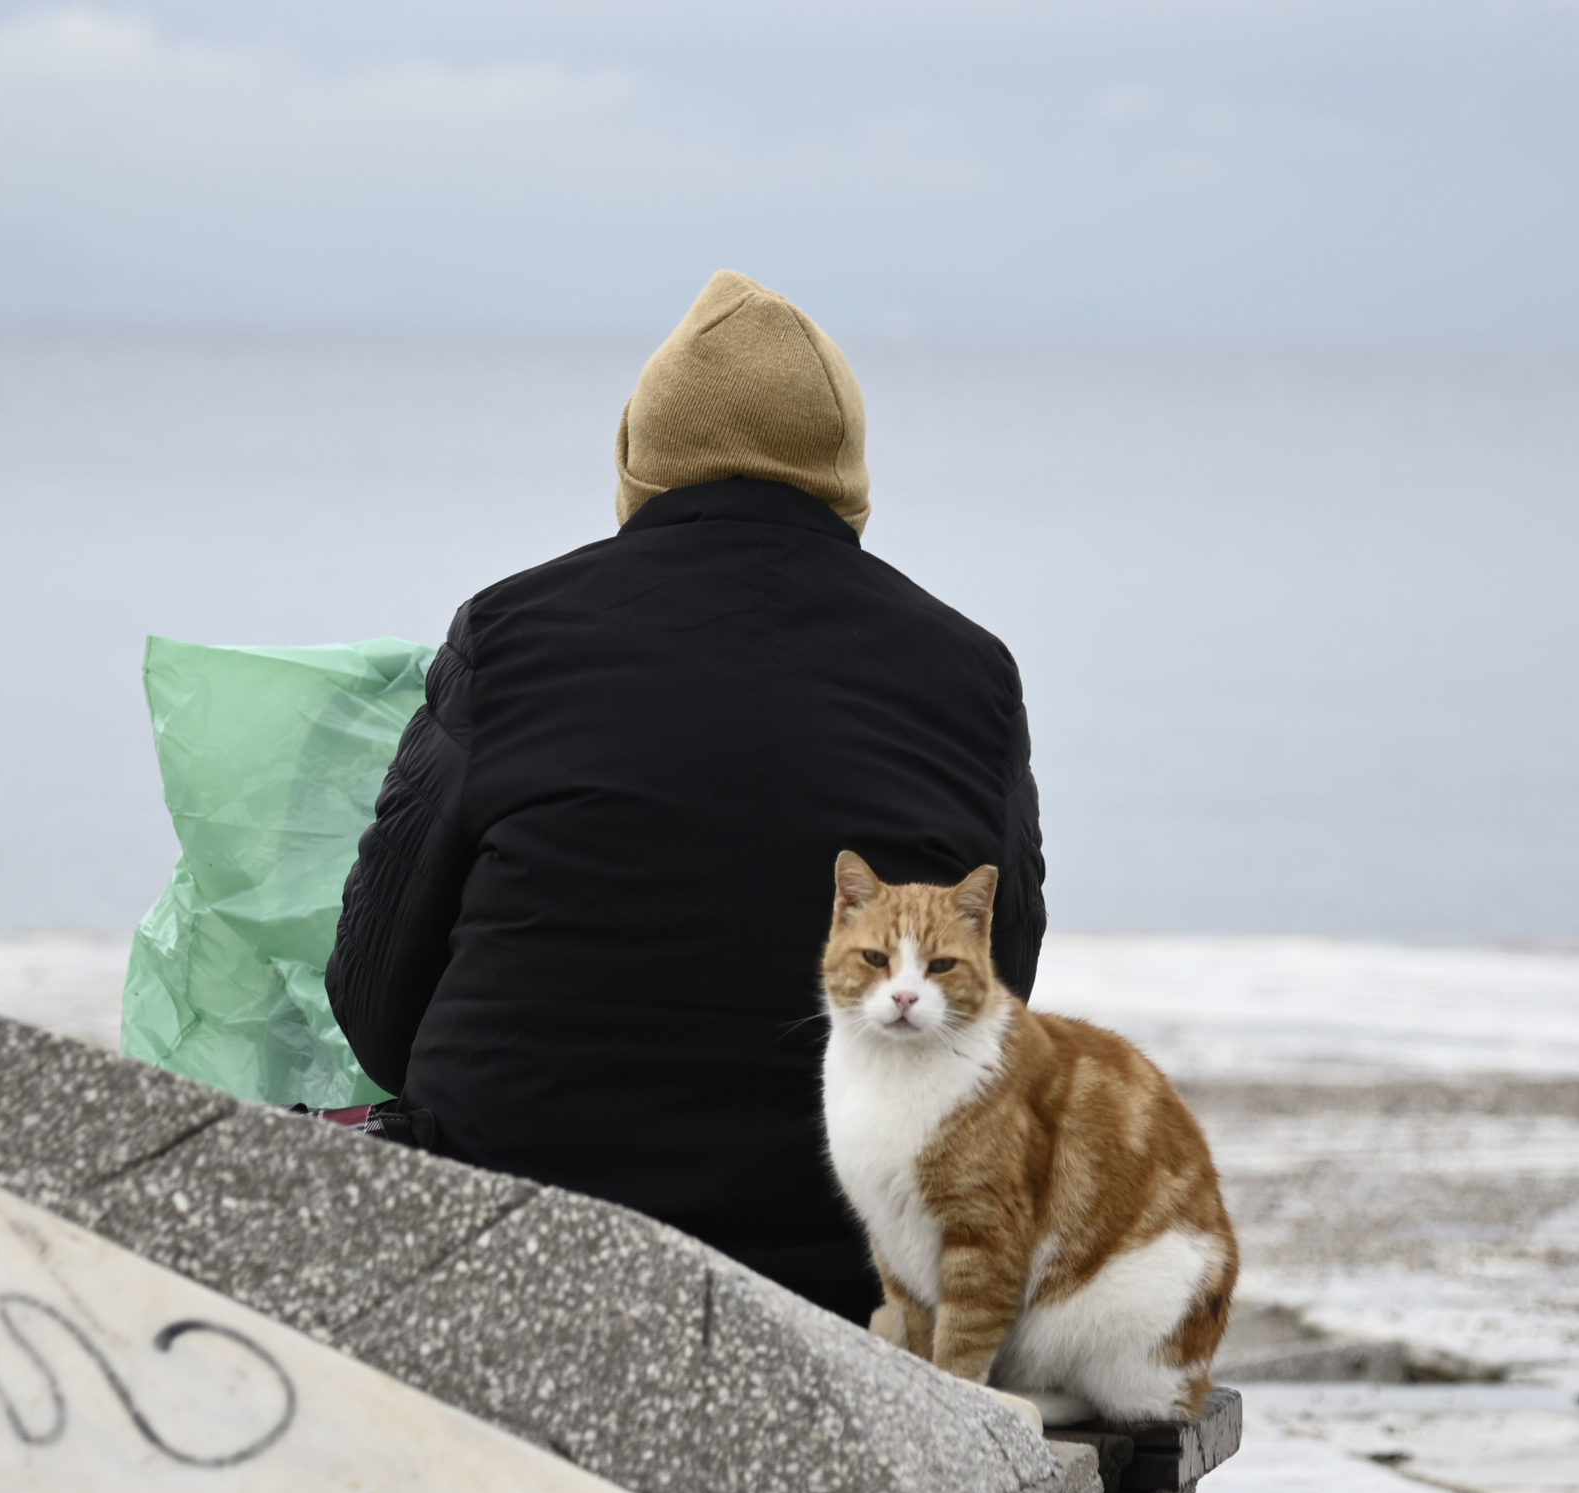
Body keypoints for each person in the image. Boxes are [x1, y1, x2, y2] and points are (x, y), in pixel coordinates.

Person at [328, 270, 1044, 1323]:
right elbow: (986, 996)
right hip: (839, 1270)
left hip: (507, 1238)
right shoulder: (971, 674)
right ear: (846, 478)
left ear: (637, 460)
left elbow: (374, 994)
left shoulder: (508, 634)